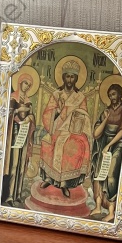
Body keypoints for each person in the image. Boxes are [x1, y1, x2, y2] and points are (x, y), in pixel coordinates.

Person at [38, 60, 91, 198]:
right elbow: (47, 113)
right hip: (57, 128)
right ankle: (49, 179)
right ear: (63, 77)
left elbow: (84, 114)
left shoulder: (80, 97)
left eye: (72, 77)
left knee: (73, 145)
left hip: (73, 130)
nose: (70, 80)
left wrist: (77, 116)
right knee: (49, 141)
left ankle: (65, 183)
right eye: (67, 76)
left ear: (76, 79)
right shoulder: (57, 94)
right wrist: (58, 111)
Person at [90, 82, 122, 221]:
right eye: (110, 95)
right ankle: (98, 206)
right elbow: (96, 134)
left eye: (114, 94)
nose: (112, 97)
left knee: (111, 176)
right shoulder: (106, 110)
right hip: (104, 144)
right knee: (99, 174)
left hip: (117, 144)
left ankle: (111, 211)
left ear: (120, 94)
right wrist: (105, 119)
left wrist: (109, 145)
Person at [2, 75, 36, 205]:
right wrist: (17, 110)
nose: (27, 86)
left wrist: (29, 118)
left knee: (22, 166)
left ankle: (18, 194)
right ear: (20, 82)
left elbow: (32, 116)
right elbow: (8, 114)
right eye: (25, 83)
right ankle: (10, 195)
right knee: (14, 165)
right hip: (15, 133)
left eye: (29, 85)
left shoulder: (28, 100)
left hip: (25, 133)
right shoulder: (13, 97)